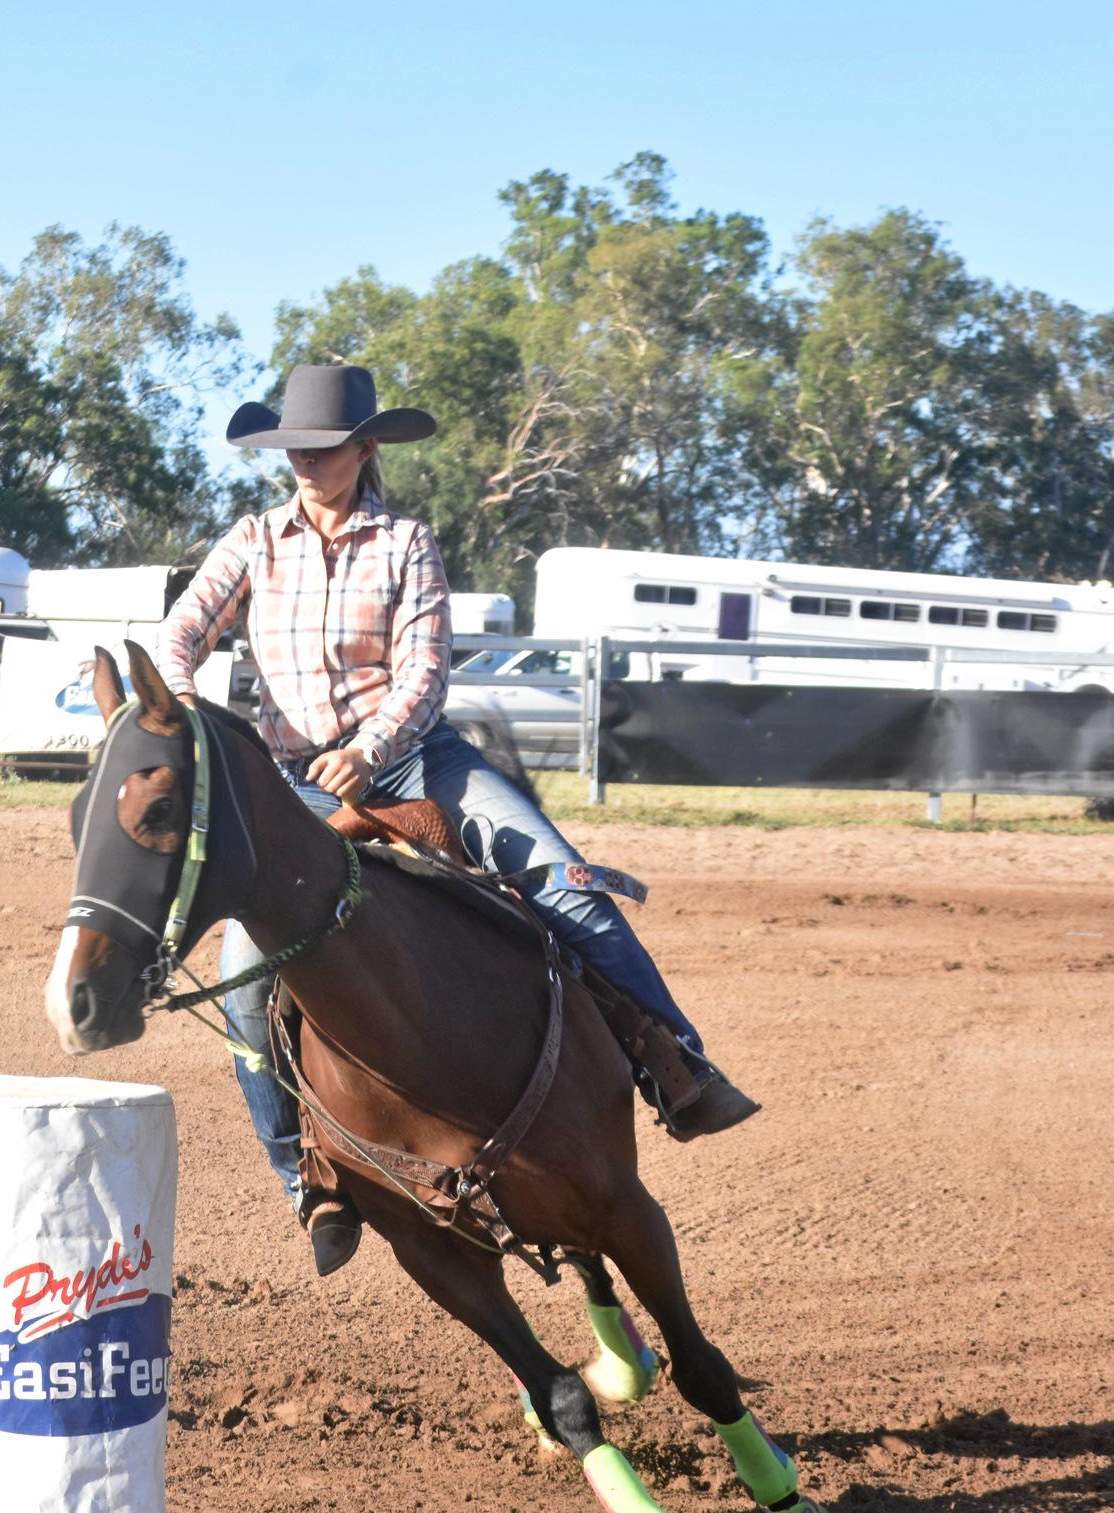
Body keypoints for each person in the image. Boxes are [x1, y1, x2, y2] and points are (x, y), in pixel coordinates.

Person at [157, 364, 760, 1277]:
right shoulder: (252, 542)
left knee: (566, 879)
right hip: (297, 787)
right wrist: (180, 710)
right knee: (245, 972)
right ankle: (306, 1179)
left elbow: (425, 672)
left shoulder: (405, 543)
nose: (307, 467)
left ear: (365, 450)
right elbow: (180, 634)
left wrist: (370, 746)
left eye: (323, 451)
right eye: (294, 453)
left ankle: (675, 1061)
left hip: (418, 763)